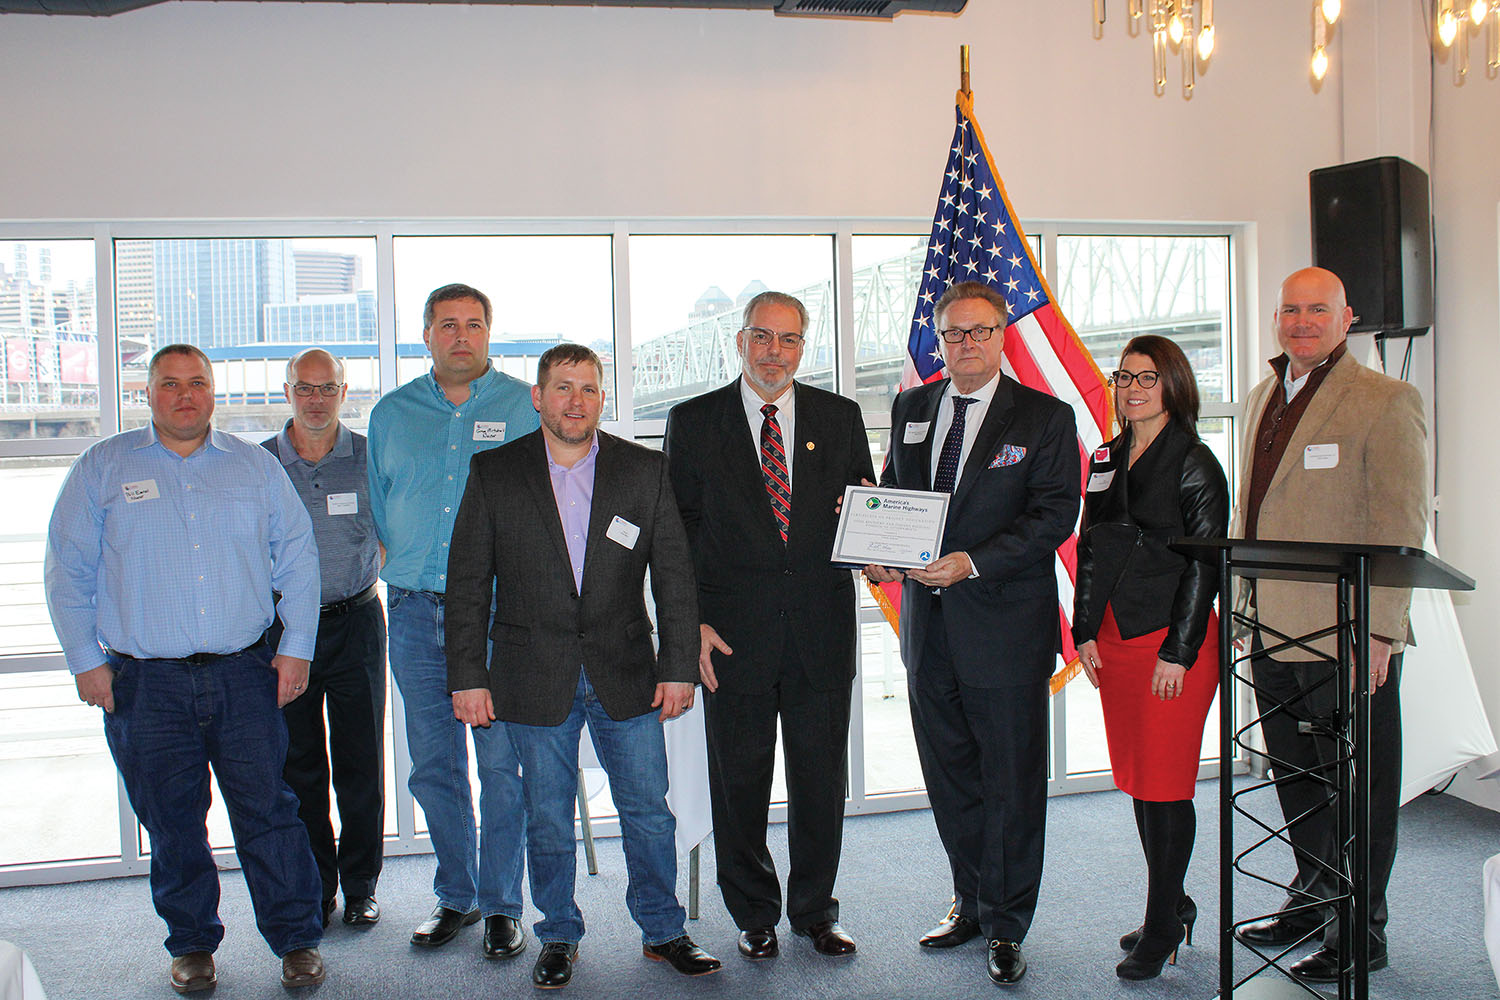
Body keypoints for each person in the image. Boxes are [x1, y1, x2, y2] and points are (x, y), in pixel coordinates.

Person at [43, 344, 327, 993]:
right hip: (146, 683)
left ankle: (296, 937)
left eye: (197, 382)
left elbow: (298, 559)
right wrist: (86, 662)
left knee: (270, 811)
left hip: (244, 674)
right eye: (169, 384)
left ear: (212, 392)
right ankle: (193, 943)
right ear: (149, 393)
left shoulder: (253, 468)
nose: (184, 395)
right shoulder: (103, 467)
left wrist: (297, 646)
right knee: (172, 821)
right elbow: (69, 570)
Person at [446, 344, 721, 989]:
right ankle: (559, 934)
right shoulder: (495, 472)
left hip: (626, 672)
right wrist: (467, 676)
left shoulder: (643, 471)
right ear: (537, 397)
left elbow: (675, 579)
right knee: (545, 815)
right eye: (563, 387)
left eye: (589, 389)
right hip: (529, 675)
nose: (576, 401)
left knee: (648, 812)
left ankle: (663, 929)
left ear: (603, 398)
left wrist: (677, 664)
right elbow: (466, 586)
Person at [865, 280, 1079, 986]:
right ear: (939, 339)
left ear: (1002, 336)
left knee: (1013, 781)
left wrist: (974, 562)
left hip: (1005, 631)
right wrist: (880, 542)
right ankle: (972, 901)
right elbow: (898, 491)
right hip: (929, 631)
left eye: (980, 331)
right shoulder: (912, 407)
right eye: (953, 334)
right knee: (951, 773)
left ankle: (1010, 924)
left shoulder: (1043, 417)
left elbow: (1052, 515)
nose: (966, 345)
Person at [1230, 266, 1427, 982]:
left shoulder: (1386, 400)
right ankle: (1313, 898)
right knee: (1297, 782)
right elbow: (1251, 513)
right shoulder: (1261, 397)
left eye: (1318, 310)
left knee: (1360, 789)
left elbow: (1401, 524)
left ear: (1348, 319)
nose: (1302, 321)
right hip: (1272, 631)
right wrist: (1244, 607)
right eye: (1290, 309)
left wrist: (1380, 631)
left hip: (1345, 635)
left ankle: (1362, 931)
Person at [663, 290, 874, 961]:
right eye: (761, 336)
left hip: (821, 633)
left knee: (820, 784)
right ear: (740, 340)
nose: (773, 352)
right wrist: (689, 623)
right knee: (740, 786)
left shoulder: (839, 417)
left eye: (787, 339)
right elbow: (676, 534)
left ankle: (815, 911)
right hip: (730, 639)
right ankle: (753, 913)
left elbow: (863, 508)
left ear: (802, 346)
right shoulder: (694, 420)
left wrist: (887, 553)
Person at [367, 283, 540, 957]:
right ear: (426, 335)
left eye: (473, 324)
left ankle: (502, 904)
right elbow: (381, 513)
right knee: (433, 766)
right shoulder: (391, 414)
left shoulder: (522, 408)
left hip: (497, 616)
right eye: (447, 325)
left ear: (489, 333)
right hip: (411, 614)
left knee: (500, 765)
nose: (460, 336)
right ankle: (456, 896)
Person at [1071, 335, 1229, 980]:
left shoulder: (1194, 461)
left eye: (1148, 378)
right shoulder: (1108, 454)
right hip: (1114, 637)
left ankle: (1163, 924)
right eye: (1125, 377)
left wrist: (1181, 650)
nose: (1133, 389)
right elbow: (1092, 545)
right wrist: (1083, 628)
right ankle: (1173, 900)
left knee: (1165, 788)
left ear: (1173, 385)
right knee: (1139, 782)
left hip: (1170, 644)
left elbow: (1205, 564)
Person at [262, 348, 386, 930]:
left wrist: (362, 568)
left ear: (344, 390)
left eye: (327, 388)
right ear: (287, 391)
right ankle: (317, 884)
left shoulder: (369, 456)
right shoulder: (258, 463)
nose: (316, 399)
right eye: (304, 388)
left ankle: (361, 884)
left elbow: (393, 528)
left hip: (356, 624)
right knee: (299, 764)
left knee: (360, 760)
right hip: (284, 635)